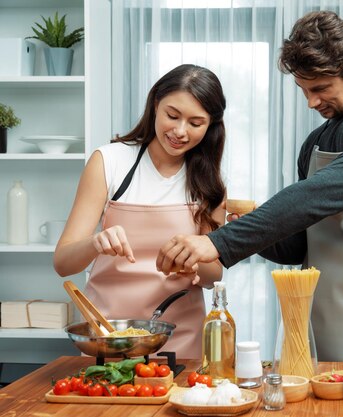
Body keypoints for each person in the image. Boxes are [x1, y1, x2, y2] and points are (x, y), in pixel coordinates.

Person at [157, 11, 343, 361]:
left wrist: (217, 242)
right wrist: (241, 222)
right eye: (304, 90)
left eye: (320, 88)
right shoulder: (315, 141)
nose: (311, 102)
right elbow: (296, 246)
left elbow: (314, 197)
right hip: (321, 316)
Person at [54, 64, 227, 358]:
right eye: (172, 116)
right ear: (155, 104)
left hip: (181, 337)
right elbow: (63, 263)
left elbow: (213, 276)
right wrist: (95, 243)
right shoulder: (110, 161)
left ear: (210, 126)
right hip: (108, 334)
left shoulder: (209, 183)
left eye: (196, 123)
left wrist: (195, 258)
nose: (180, 131)